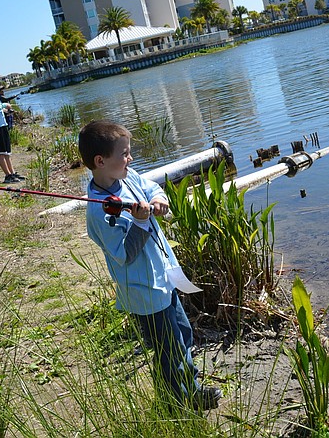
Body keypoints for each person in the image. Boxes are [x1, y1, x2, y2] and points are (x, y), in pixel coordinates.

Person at [78, 120, 221, 410]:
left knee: (182, 335)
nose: (130, 159)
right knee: (170, 347)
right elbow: (126, 254)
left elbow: (150, 186)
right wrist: (141, 223)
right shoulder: (98, 211)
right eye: (125, 154)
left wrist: (157, 198)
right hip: (144, 292)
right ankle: (180, 399)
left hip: (164, 278)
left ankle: (184, 388)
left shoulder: (127, 178)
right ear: (100, 161)